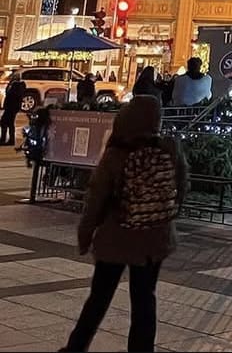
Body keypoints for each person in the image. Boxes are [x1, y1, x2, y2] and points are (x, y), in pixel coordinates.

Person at [61, 95, 187, 353]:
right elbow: (181, 186)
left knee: (99, 298)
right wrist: (164, 214)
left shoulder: (117, 152)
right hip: (155, 238)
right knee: (144, 299)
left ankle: (76, 347)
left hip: (116, 237)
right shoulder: (169, 148)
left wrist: (85, 233)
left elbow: (96, 198)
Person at [1, 70, 26, 148]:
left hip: (11, 107)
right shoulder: (15, 84)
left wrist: (10, 85)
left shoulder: (17, 85)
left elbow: (11, 95)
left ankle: (8, 139)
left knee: (6, 122)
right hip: (10, 107)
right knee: (7, 123)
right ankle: (6, 139)